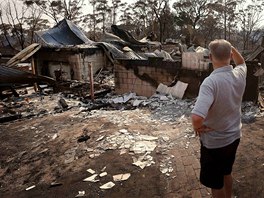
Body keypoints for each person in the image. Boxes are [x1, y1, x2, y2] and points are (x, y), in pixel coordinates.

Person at [191, 39, 246, 198]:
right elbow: (241, 61)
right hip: (234, 137)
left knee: (216, 184)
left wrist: (197, 127)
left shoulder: (210, 82)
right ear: (230, 55)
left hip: (215, 143)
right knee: (226, 173)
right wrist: (230, 48)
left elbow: (196, 117)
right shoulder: (240, 73)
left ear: (209, 57)